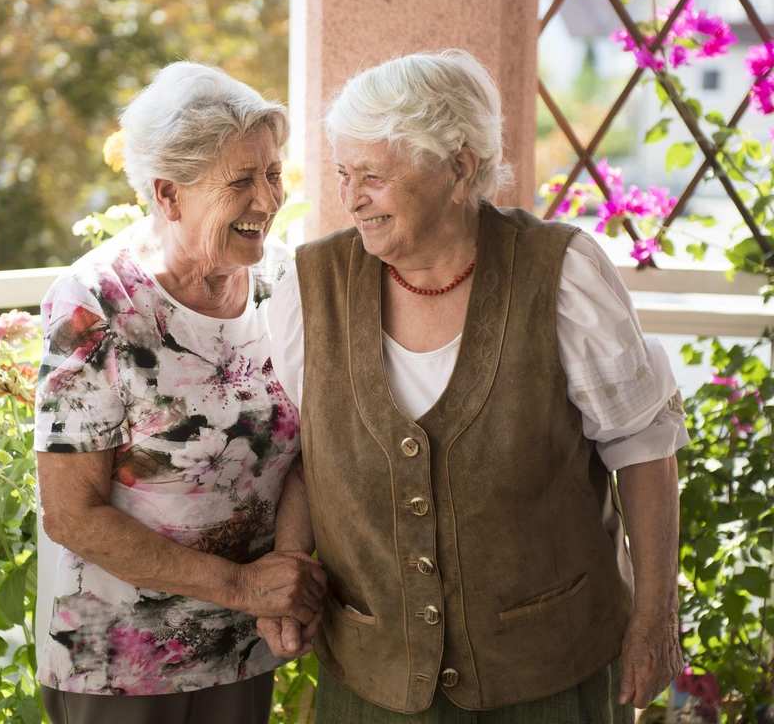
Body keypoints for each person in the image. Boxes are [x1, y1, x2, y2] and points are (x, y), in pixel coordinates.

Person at [258, 49, 687, 723]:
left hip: (548, 674)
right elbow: (310, 459)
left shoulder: (562, 276)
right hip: (372, 681)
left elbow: (644, 451)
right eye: (344, 174)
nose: (352, 198)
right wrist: (288, 565)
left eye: (373, 175)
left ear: (458, 166)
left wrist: (656, 619)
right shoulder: (308, 294)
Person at [34, 62, 326, 724]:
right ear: (170, 196)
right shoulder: (95, 305)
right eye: (242, 182)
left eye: (273, 173)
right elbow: (71, 514)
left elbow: (308, 445)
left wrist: (283, 569)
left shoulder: (282, 282)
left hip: (243, 643)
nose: (268, 199)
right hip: (119, 666)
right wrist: (246, 587)